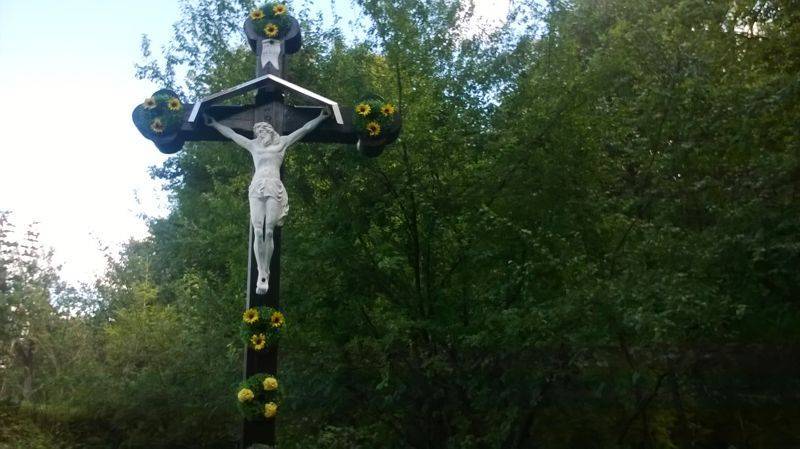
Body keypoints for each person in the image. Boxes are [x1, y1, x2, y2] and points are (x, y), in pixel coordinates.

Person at [205, 109, 329, 294]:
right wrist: (215, 124)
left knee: (269, 231)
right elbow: (232, 134)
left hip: (273, 186)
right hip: (257, 187)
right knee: (258, 230)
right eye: (257, 133)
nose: (259, 136)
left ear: (270, 131)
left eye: (262, 132)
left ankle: (266, 271)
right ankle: (261, 272)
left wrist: (320, 118)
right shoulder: (253, 146)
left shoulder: (283, 143)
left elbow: (304, 129)